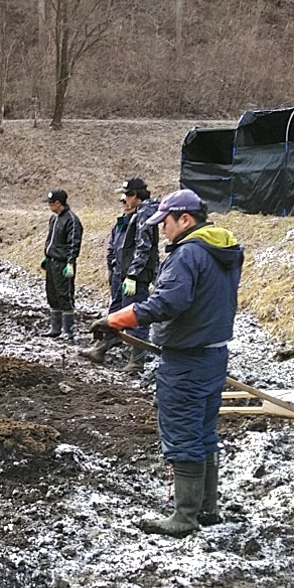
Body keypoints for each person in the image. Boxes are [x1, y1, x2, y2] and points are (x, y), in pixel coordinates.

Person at [90, 188, 244, 537]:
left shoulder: (188, 254)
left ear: (185, 220)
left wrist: (117, 319)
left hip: (186, 359)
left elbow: (166, 303)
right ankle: (206, 508)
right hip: (214, 353)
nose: (162, 230)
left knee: (183, 432)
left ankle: (184, 516)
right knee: (204, 432)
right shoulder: (223, 249)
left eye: (166, 223)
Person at [79, 177, 159, 373]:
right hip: (122, 275)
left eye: (126, 197)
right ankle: (100, 349)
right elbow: (118, 247)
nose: (123, 201)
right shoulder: (130, 218)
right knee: (115, 314)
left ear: (135, 196)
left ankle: (136, 362)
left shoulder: (144, 215)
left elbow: (143, 247)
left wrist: (133, 274)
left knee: (135, 317)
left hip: (134, 278)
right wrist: (115, 269)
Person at [40, 189, 84, 343]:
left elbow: (74, 243)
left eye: (50, 203)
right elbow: (50, 239)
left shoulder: (71, 220)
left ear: (58, 203)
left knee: (64, 294)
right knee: (52, 293)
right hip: (52, 262)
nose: (49, 206)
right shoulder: (54, 219)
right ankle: (55, 328)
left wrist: (70, 262)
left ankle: (68, 330)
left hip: (63, 263)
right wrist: (47, 256)